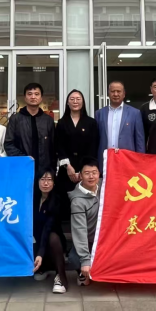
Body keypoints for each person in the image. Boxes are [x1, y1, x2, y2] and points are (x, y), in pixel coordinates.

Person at [55, 90, 99, 219]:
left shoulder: (91, 122)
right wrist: (68, 166)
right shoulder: (62, 123)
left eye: (78, 99)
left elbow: (93, 146)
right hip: (66, 169)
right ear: (67, 103)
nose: (75, 101)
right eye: (72, 99)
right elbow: (58, 146)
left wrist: (82, 170)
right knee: (65, 203)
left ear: (83, 102)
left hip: (85, 169)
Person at [95, 80, 145, 174]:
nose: (115, 94)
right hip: (106, 161)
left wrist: (140, 161)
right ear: (108, 93)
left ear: (124, 94)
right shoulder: (99, 113)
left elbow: (139, 141)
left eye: (118, 91)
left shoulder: (135, 113)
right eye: (113, 91)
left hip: (128, 160)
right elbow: (96, 140)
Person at [32, 168, 68, 294]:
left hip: (52, 243)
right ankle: (43, 267)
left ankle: (60, 277)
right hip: (36, 239)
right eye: (42, 179)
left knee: (53, 237)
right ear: (37, 181)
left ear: (54, 183)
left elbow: (48, 227)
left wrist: (40, 253)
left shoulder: (56, 201)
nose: (46, 183)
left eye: (49, 180)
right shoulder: (32, 198)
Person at [4, 83, 56, 169]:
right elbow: (8, 144)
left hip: (44, 169)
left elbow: (53, 147)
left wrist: (51, 170)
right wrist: (24, 159)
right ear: (25, 98)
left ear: (41, 98)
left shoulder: (48, 120)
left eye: (36, 94)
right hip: (21, 167)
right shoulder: (15, 119)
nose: (33, 97)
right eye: (29, 94)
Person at [68, 157, 101, 287]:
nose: (91, 176)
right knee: (75, 258)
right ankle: (83, 272)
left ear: (99, 174)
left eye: (94, 172)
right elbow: (80, 230)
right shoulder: (77, 202)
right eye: (87, 173)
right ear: (80, 176)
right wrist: (85, 260)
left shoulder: (104, 186)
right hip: (89, 240)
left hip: (106, 238)